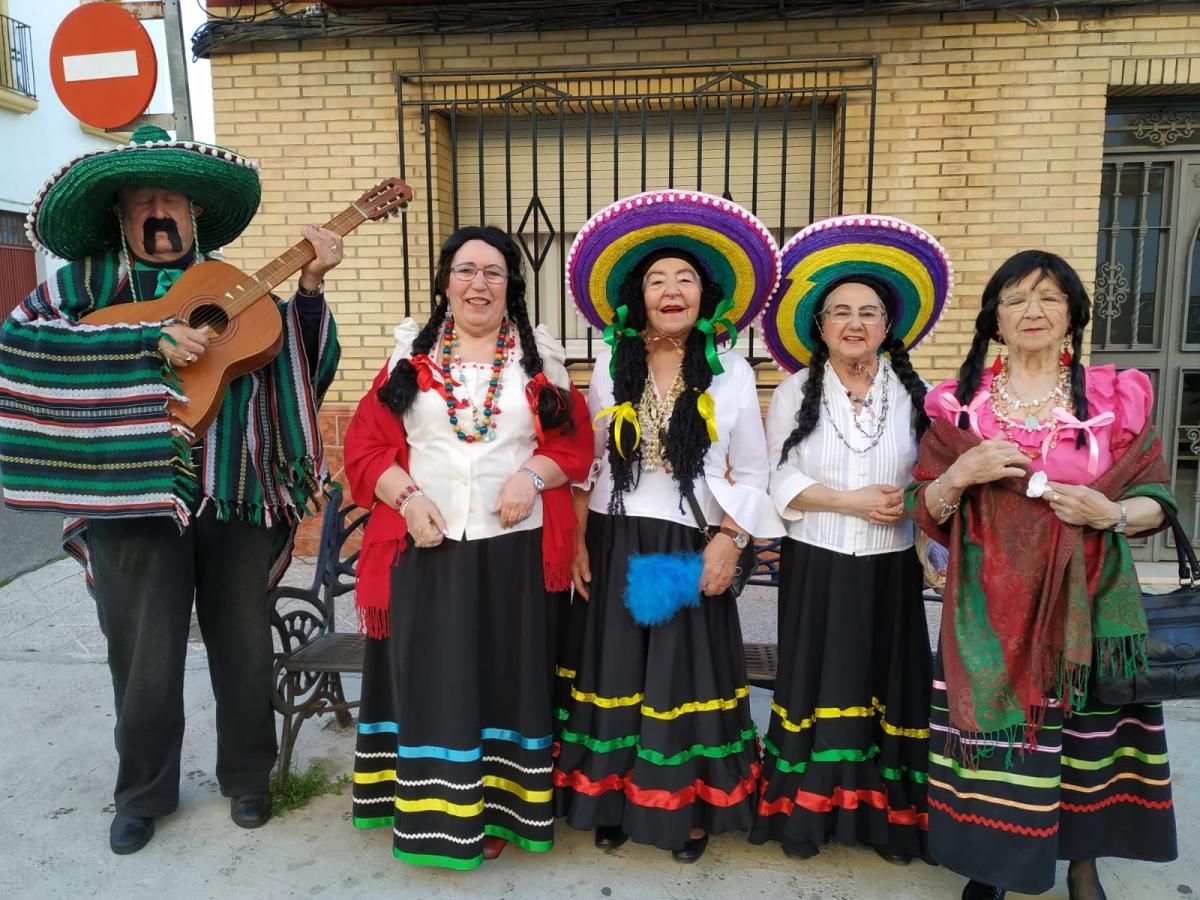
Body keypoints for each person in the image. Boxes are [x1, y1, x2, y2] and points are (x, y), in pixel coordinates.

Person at [0, 126, 342, 854]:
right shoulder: (81, 287)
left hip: (236, 491)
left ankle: (248, 778)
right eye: (143, 200)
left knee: (244, 646)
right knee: (144, 656)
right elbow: (23, 348)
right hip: (130, 498)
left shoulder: (232, 287)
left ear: (195, 214)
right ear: (121, 216)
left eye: (173, 200)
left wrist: (309, 291)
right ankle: (143, 794)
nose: (160, 213)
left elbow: (305, 370)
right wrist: (140, 343)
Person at [907, 250, 1178, 900]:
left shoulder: (1118, 397)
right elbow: (928, 507)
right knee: (999, 739)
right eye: (1016, 298)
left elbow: (1158, 503)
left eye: (1050, 297)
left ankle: (1083, 862)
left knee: (1086, 742)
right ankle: (993, 864)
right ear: (994, 320)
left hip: (1086, 604)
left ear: (1073, 315)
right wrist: (959, 476)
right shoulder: (959, 404)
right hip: (988, 611)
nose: (1033, 311)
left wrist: (1110, 511)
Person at [345, 225, 594, 871]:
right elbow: (366, 447)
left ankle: (505, 809)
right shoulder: (409, 357)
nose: (478, 284)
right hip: (427, 545)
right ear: (444, 282)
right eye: (465, 270)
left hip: (514, 549)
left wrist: (530, 475)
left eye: (493, 272)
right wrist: (407, 498)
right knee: (438, 681)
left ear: (511, 285)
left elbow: (573, 447)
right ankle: (433, 813)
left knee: (505, 678)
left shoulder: (541, 360)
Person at [555, 190, 784, 863]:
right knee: (617, 672)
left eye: (685, 278)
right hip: (615, 536)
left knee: (681, 678)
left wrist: (729, 539)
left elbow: (754, 469)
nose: (672, 289)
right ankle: (613, 801)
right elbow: (585, 466)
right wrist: (574, 539)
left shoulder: (732, 372)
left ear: (704, 296)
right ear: (638, 296)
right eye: (657, 279)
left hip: (690, 540)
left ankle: (685, 808)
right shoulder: (610, 367)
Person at [751, 215, 952, 864]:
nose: (855, 324)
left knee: (884, 685)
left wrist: (925, 526)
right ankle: (807, 817)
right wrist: (849, 500)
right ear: (820, 325)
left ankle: (887, 822)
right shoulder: (794, 393)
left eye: (868, 312)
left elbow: (932, 478)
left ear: (888, 326)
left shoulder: (916, 395)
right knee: (818, 684)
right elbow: (777, 478)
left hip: (891, 566)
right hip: (817, 563)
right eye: (840, 312)